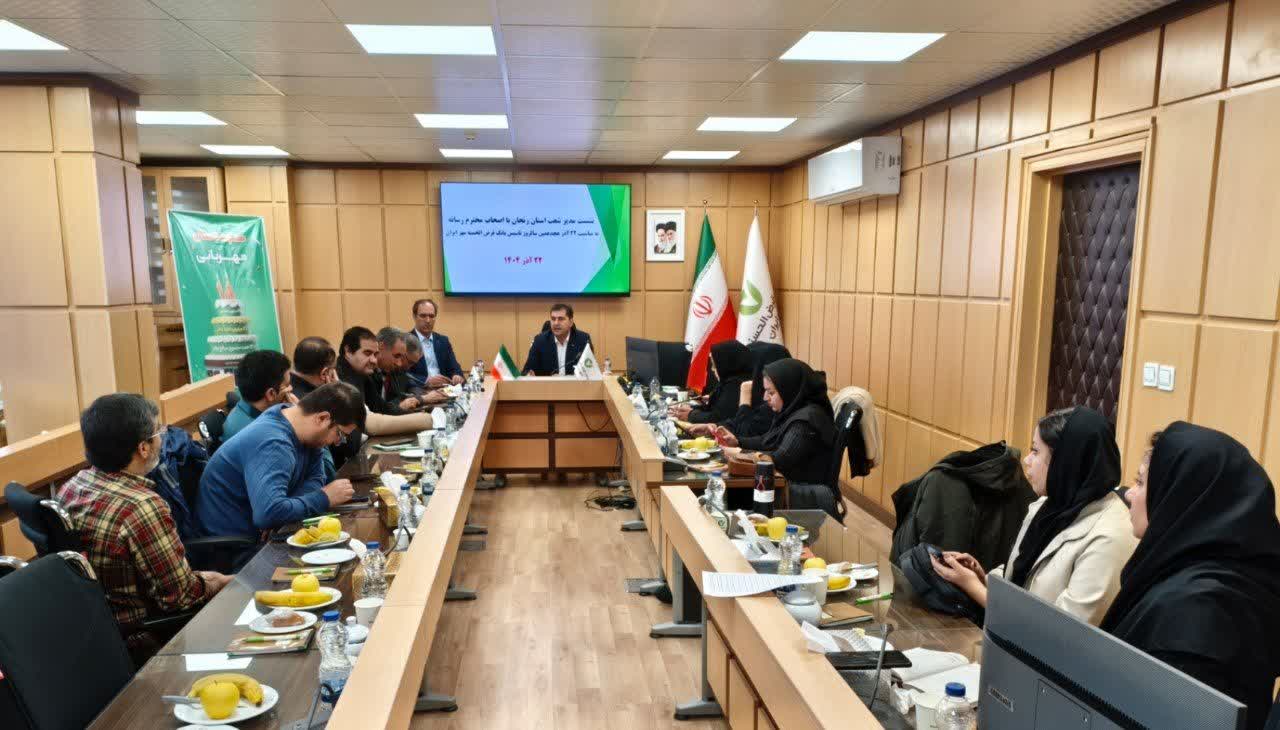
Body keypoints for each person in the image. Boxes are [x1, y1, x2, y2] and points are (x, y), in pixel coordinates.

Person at [1099, 423, 1280, 729]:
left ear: (1179, 495)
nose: (1129, 494)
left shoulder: (1198, 612)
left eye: (1140, 482)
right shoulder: (1205, 578)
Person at [58, 393, 232, 661]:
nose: (162, 437)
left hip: (101, 630)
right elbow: (181, 598)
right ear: (143, 448)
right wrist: (220, 582)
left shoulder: (73, 485)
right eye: (158, 431)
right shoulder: (142, 507)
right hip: (147, 638)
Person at [929, 407, 1137, 625]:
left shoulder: (1110, 538)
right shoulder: (1048, 506)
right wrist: (983, 578)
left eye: (1035, 451)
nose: (1027, 460)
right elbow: (1022, 577)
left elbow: (1065, 630)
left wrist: (973, 587)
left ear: (1064, 461)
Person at [196, 382, 363, 537]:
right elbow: (268, 514)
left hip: (263, 533)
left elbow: (315, 479)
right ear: (322, 418)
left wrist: (285, 512)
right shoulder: (273, 442)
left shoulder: (299, 425)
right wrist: (324, 498)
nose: (337, 442)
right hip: (237, 546)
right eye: (339, 434)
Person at [719, 358, 840, 516]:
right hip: (779, 485)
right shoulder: (793, 411)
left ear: (789, 389)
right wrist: (737, 442)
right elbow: (767, 440)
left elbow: (779, 460)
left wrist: (739, 454)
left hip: (797, 494)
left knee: (722, 497)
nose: (765, 398)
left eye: (771, 393)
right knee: (721, 494)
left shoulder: (806, 422)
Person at [686, 342, 791, 439]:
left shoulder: (780, 404)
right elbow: (736, 423)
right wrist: (713, 427)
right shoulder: (761, 393)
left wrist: (744, 401)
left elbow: (744, 432)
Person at [670, 340, 752, 424]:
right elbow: (713, 409)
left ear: (726, 363)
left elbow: (718, 419)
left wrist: (690, 415)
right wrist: (691, 409)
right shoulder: (727, 381)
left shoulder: (736, 384)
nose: (712, 369)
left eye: (714, 365)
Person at [222, 350, 295, 442]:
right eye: (287, 385)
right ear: (271, 394)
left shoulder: (241, 409)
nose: (291, 388)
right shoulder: (267, 435)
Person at [371, 326, 435, 413]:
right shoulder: (367, 372)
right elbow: (377, 409)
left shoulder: (393, 370)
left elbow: (410, 388)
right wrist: (419, 399)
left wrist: (420, 398)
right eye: (397, 356)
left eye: (401, 357)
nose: (399, 363)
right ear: (381, 346)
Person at [522, 303, 592, 376]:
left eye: (561, 319)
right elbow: (527, 370)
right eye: (553, 319)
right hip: (547, 383)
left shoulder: (583, 340)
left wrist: (566, 379)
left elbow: (589, 370)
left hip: (574, 383)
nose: (556, 323)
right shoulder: (540, 341)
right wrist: (528, 374)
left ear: (571, 322)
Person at [408, 298, 464, 387]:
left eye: (431, 316)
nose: (428, 320)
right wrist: (426, 381)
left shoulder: (443, 341)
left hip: (444, 389)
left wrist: (456, 376)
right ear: (414, 317)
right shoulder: (406, 341)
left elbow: (455, 368)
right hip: (420, 390)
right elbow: (403, 375)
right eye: (423, 316)